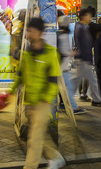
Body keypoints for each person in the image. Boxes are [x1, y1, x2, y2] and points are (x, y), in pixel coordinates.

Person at [10, 17, 66, 169]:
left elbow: (53, 79)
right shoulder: (27, 53)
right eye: (28, 30)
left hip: (43, 102)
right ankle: (55, 157)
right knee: (38, 133)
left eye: (32, 31)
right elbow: (21, 75)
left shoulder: (50, 53)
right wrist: (11, 91)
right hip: (29, 101)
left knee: (34, 139)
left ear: (40, 33)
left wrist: (46, 98)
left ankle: (30, 167)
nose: (28, 33)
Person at [72, 9, 101, 107]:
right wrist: (86, 58)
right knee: (76, 81)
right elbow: (84, 44)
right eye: (89, 16)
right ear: (84, 16)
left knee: (87, 80)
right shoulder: (81, 28)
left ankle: (96, 100)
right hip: (83, 59)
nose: (90, 18)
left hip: (84, 58)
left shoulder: (81, 27)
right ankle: (67, 99)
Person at [57, 12, 85, 115]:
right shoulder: (64, 35)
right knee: (69, 88)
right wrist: (73, 53)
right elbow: (64, 51)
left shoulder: (59, 33)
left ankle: (69, 106)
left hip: (61, 66)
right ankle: (73, 107)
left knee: (66, 88)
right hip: (63, 66)